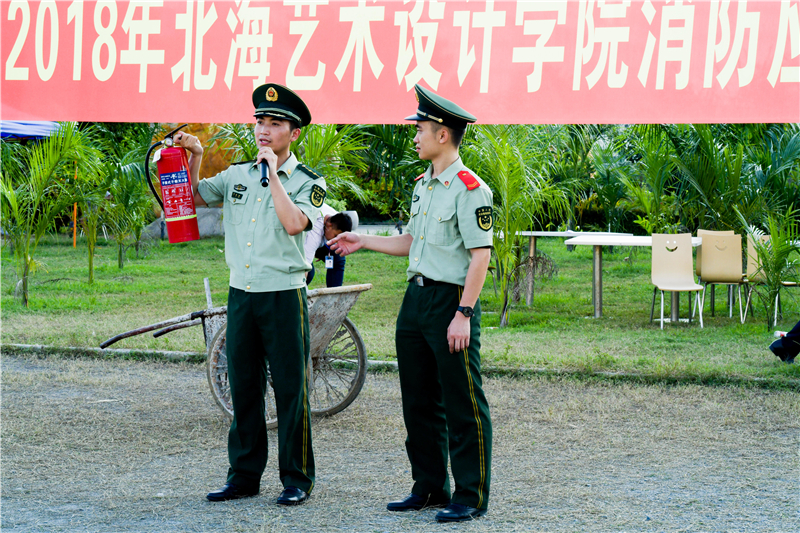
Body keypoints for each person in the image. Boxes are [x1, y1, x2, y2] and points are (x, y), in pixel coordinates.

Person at [328, 84, 493, 523]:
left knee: (462, 400)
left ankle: (470, 494)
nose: (415, 136)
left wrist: (464, 313)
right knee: (418, 401)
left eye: (420, 129)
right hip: (415, 299)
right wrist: (363, 240)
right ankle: (430, 487)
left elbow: (481, 256)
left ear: (443, 134)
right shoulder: (424, 185)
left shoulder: (470, 189)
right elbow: (412, 241)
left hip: (450, 301)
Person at [175, 83, 324, 506]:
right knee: (243, 387)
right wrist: (196, 155)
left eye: (274, 123)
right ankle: (243, 476)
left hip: (283, 295)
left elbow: (294, 224)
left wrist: (273, 175)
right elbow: (194, 197)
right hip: (242, 294)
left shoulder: (309, 182)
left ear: (294, 133)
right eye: (260, 121)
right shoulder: (237, 174)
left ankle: (296, 478)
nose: (263, 130)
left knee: (291, 390)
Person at [304, 206, 353, 287]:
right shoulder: (315, 235)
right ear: (329, 225)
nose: (337, 240)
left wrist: (327, 251)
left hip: (322, 239)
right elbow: (304, 266)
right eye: (335, 236)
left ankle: (334, 293)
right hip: (299, 239)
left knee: (338, 257)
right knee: (309, 272)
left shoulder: (338, 219)